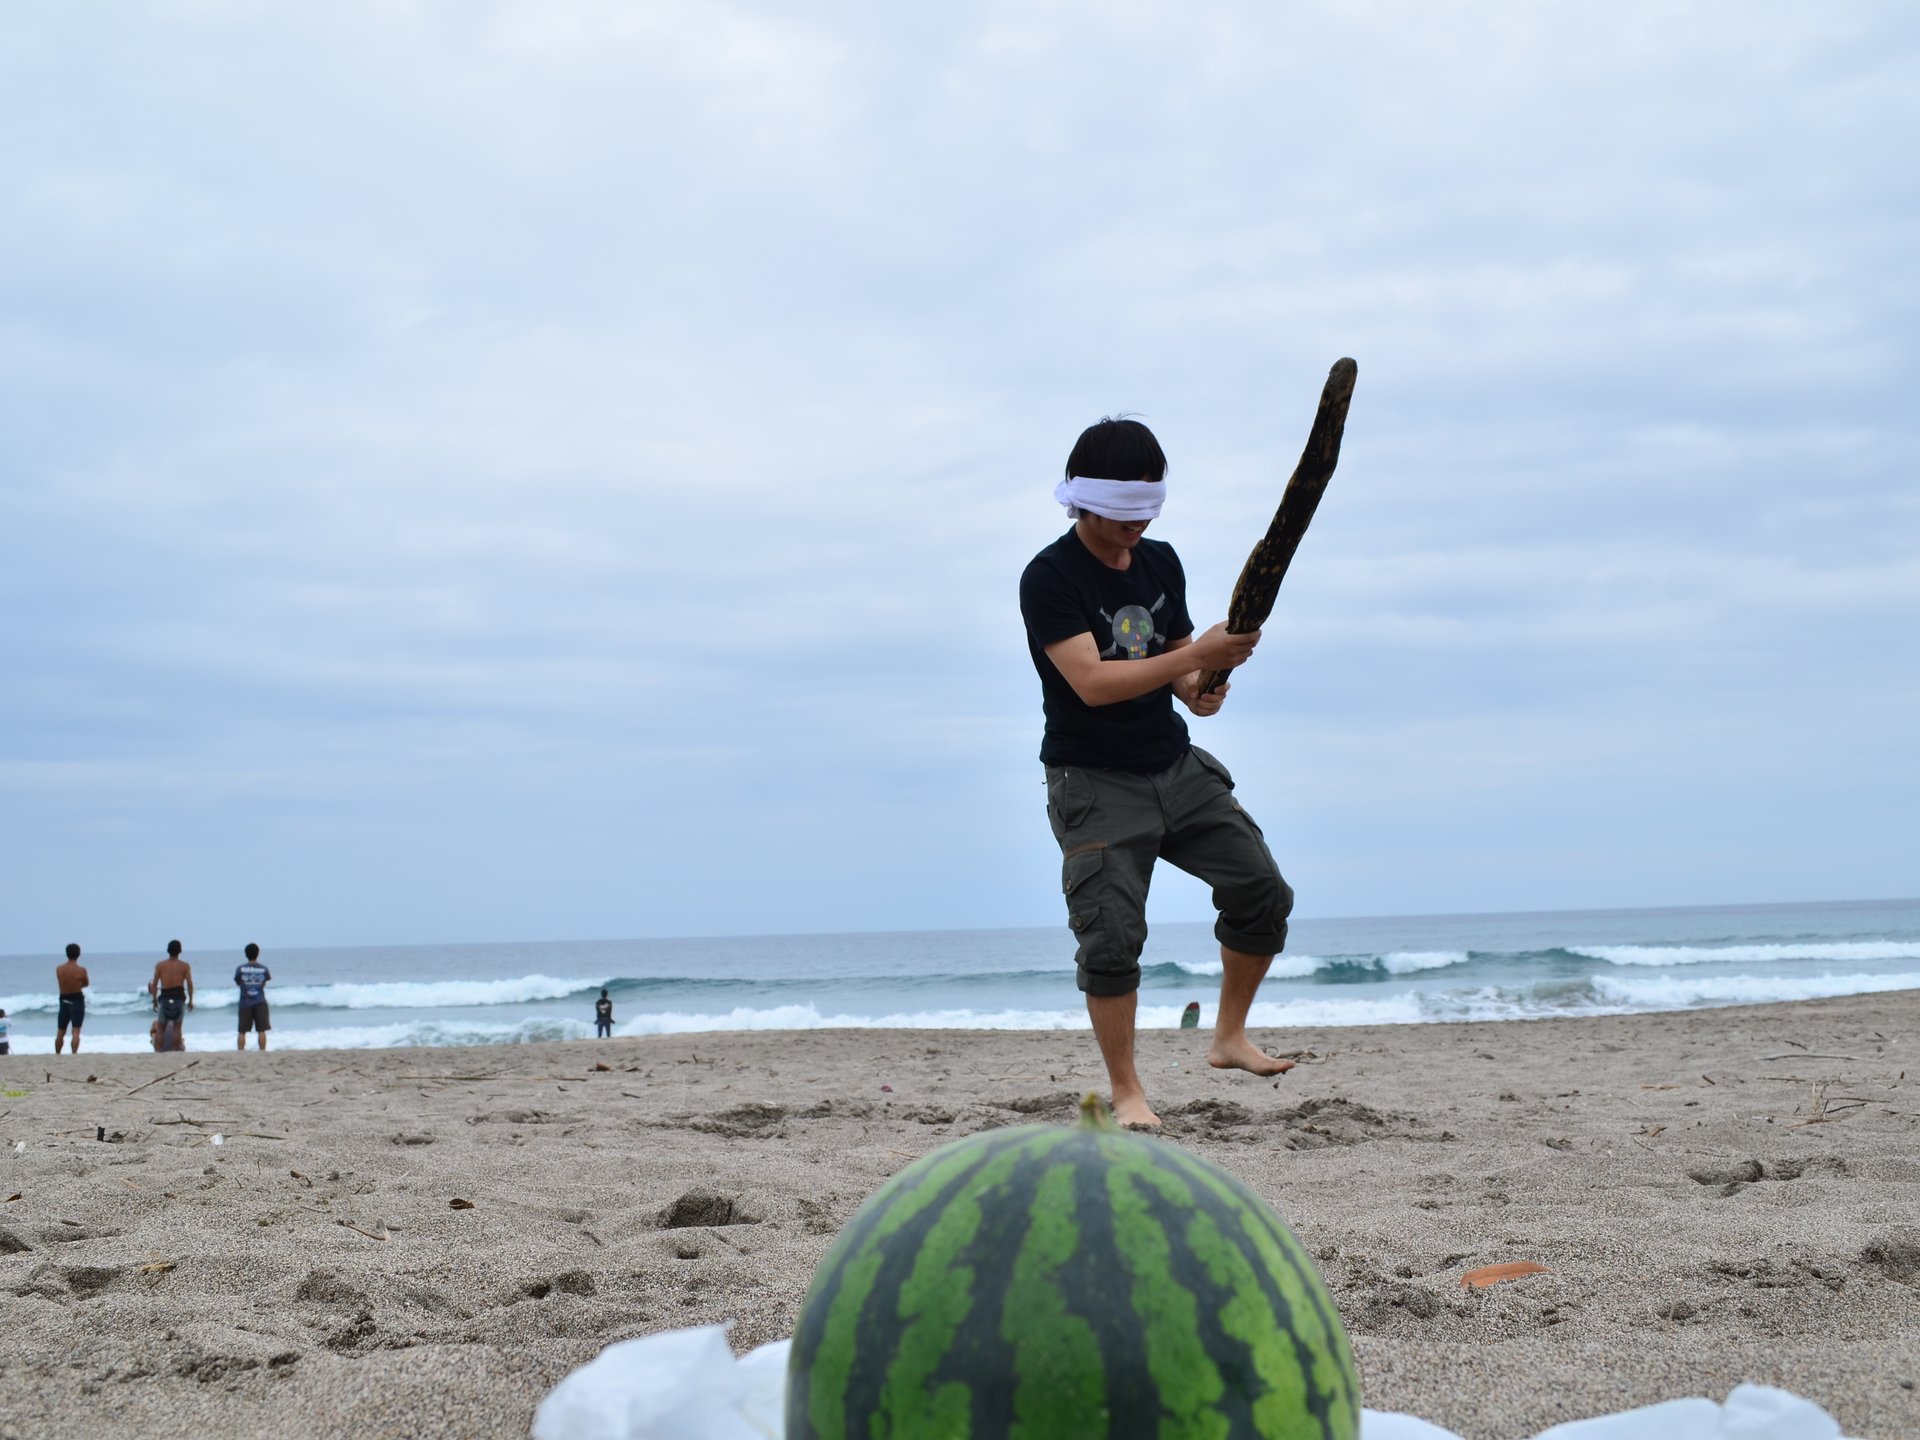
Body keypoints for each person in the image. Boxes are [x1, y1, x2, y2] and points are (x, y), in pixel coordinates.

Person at [1019, 416, 1297, 1128]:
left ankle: (1229, 1037)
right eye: (1121, 515)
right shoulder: (1049, 577)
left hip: (1174, 764)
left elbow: (1175, 662)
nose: (1134, 529)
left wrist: (1201, 684)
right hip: (1093, 780)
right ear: (1082, 500)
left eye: (1148, 512)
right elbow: (1092, 681)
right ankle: (1128, 1092)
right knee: (1111, 938)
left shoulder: (1160, 561)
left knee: (1261, 890)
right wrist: (1193, 654)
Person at [151, 940, 194, 1053]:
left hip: (165, 998)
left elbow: (155, 984)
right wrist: (191, 1000)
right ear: (180, 951)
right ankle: (175, 1050)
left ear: (168, 951)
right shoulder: (184, 966)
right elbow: (189, 984)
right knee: (177, 1027)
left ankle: (158, 1050)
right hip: (179, 998)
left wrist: (154, 1000)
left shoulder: (160, 965)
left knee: (160, 1028)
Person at [234, 943, 271, 1051]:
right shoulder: (263, 969)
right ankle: (262, 1051)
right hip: (260, 1001)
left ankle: (240, 1051)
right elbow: (264, 982)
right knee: (261, 1030)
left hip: (245, 1002)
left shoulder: (240, 969)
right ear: (258, 953)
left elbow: (238, 982)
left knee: (242, 1031)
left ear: (246, 954)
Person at [55, 943, 89, 1054]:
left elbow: (61, 981)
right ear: (79, 954)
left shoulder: (59, 969)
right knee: (76, 1031)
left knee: (61, 1031)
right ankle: (74, 1054)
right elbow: (86, 983)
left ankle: (58, 1054)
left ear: (66, 954)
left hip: (64, 1000)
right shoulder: (81, 970)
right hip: (77, 1000)